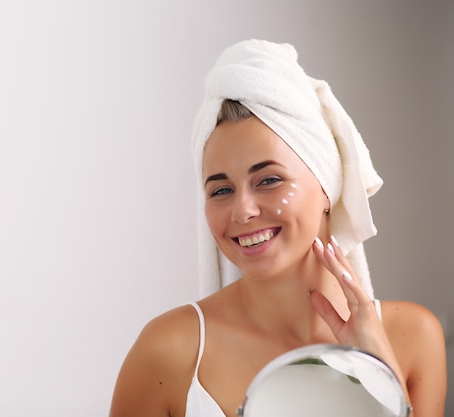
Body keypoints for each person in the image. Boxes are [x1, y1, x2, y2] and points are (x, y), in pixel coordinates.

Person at [108, 39, 447, 417]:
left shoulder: (413, 338)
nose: (243, 210)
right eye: (221, 190)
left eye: (268, 180)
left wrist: (378, 369)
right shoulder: (169, 353)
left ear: (326, 186)